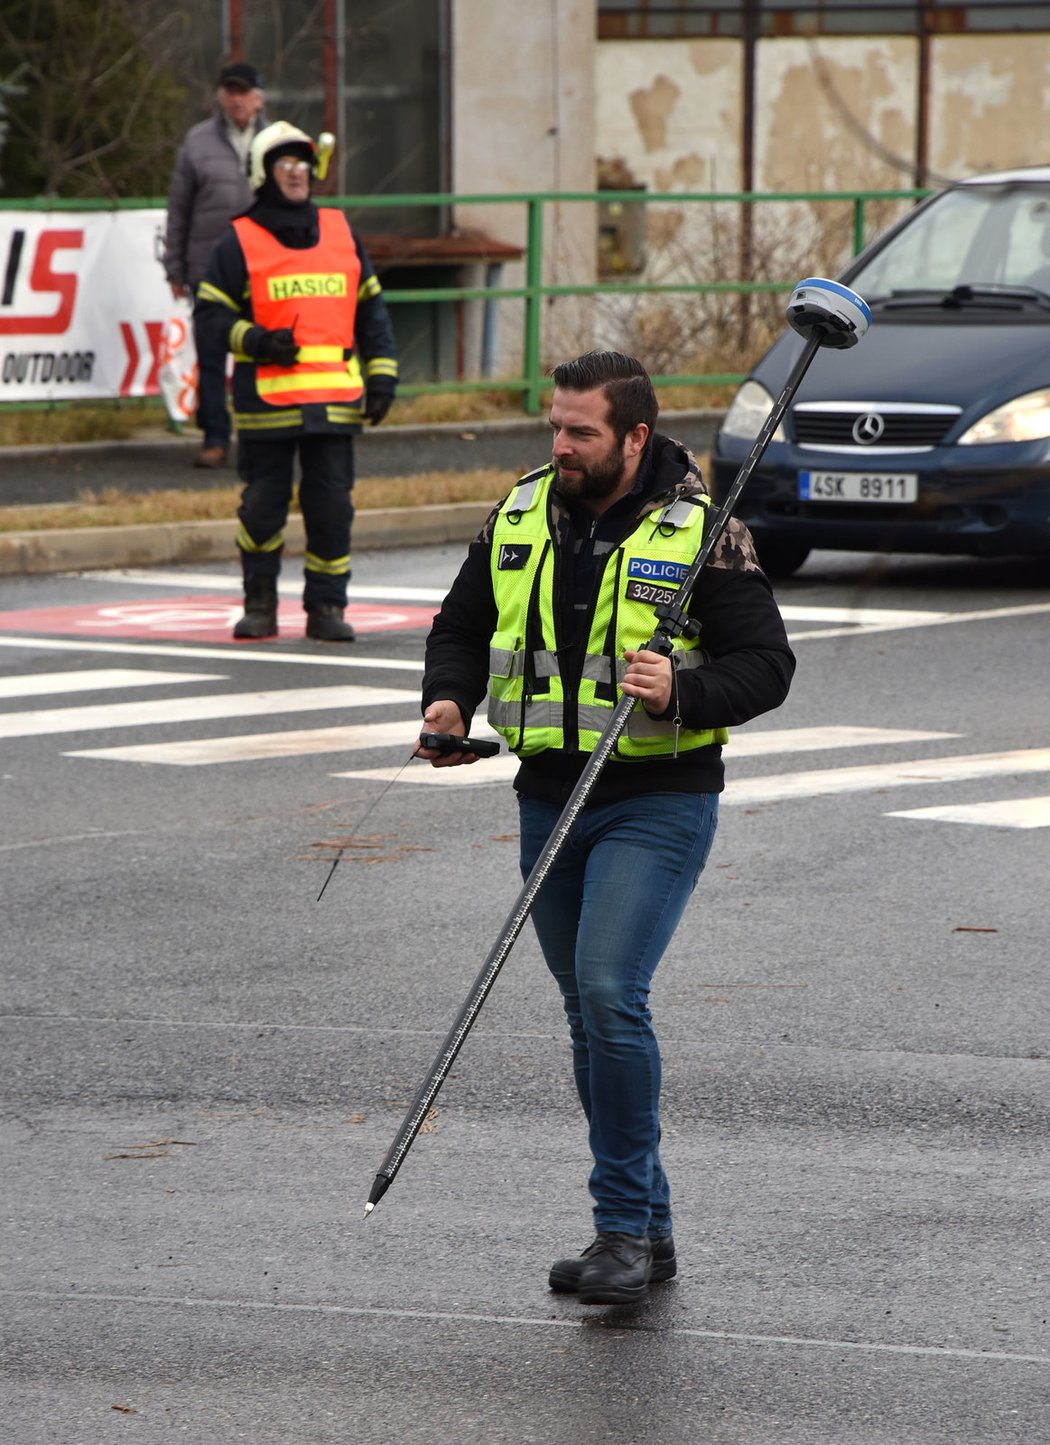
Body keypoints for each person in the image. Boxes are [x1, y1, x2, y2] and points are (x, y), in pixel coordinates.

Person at [416, 352, 795, 1305]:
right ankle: (651, 1232)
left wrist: (685, 687)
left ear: (633, 436)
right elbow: (459, 626)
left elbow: (768, 664)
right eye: (555, 425)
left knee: (608, 989)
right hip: (548, 794)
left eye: (581, 430)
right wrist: (449, 704)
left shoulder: (705, 533)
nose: (561, 444)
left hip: (657, 796)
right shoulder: (519, 511)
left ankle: (619, 1227)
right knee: (588, 1014)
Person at [195, 121, 398, 642]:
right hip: (268, 405)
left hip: (334, 403)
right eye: (285, 163)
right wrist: (257, 341)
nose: (297, 172)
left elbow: (371, 308)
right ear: (264, 173)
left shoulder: (339, 229)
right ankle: (259, 602)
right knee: (262, 510)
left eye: (303, 163)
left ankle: (326, 608)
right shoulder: (240, 238)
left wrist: (382, 377)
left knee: (332, 509)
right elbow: (211, 317)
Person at [163, 61, 267, 469]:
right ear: (220, 96)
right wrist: (175, 268)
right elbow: (179, 209)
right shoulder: (197, 142)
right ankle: (216, 437)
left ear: (259, 98)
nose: (236, 99)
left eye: (243, 91)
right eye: (229, 91)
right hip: (208, 268)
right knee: (210, 356)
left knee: (255, 352)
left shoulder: (276, 140)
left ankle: (259, 433)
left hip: (261, 270)